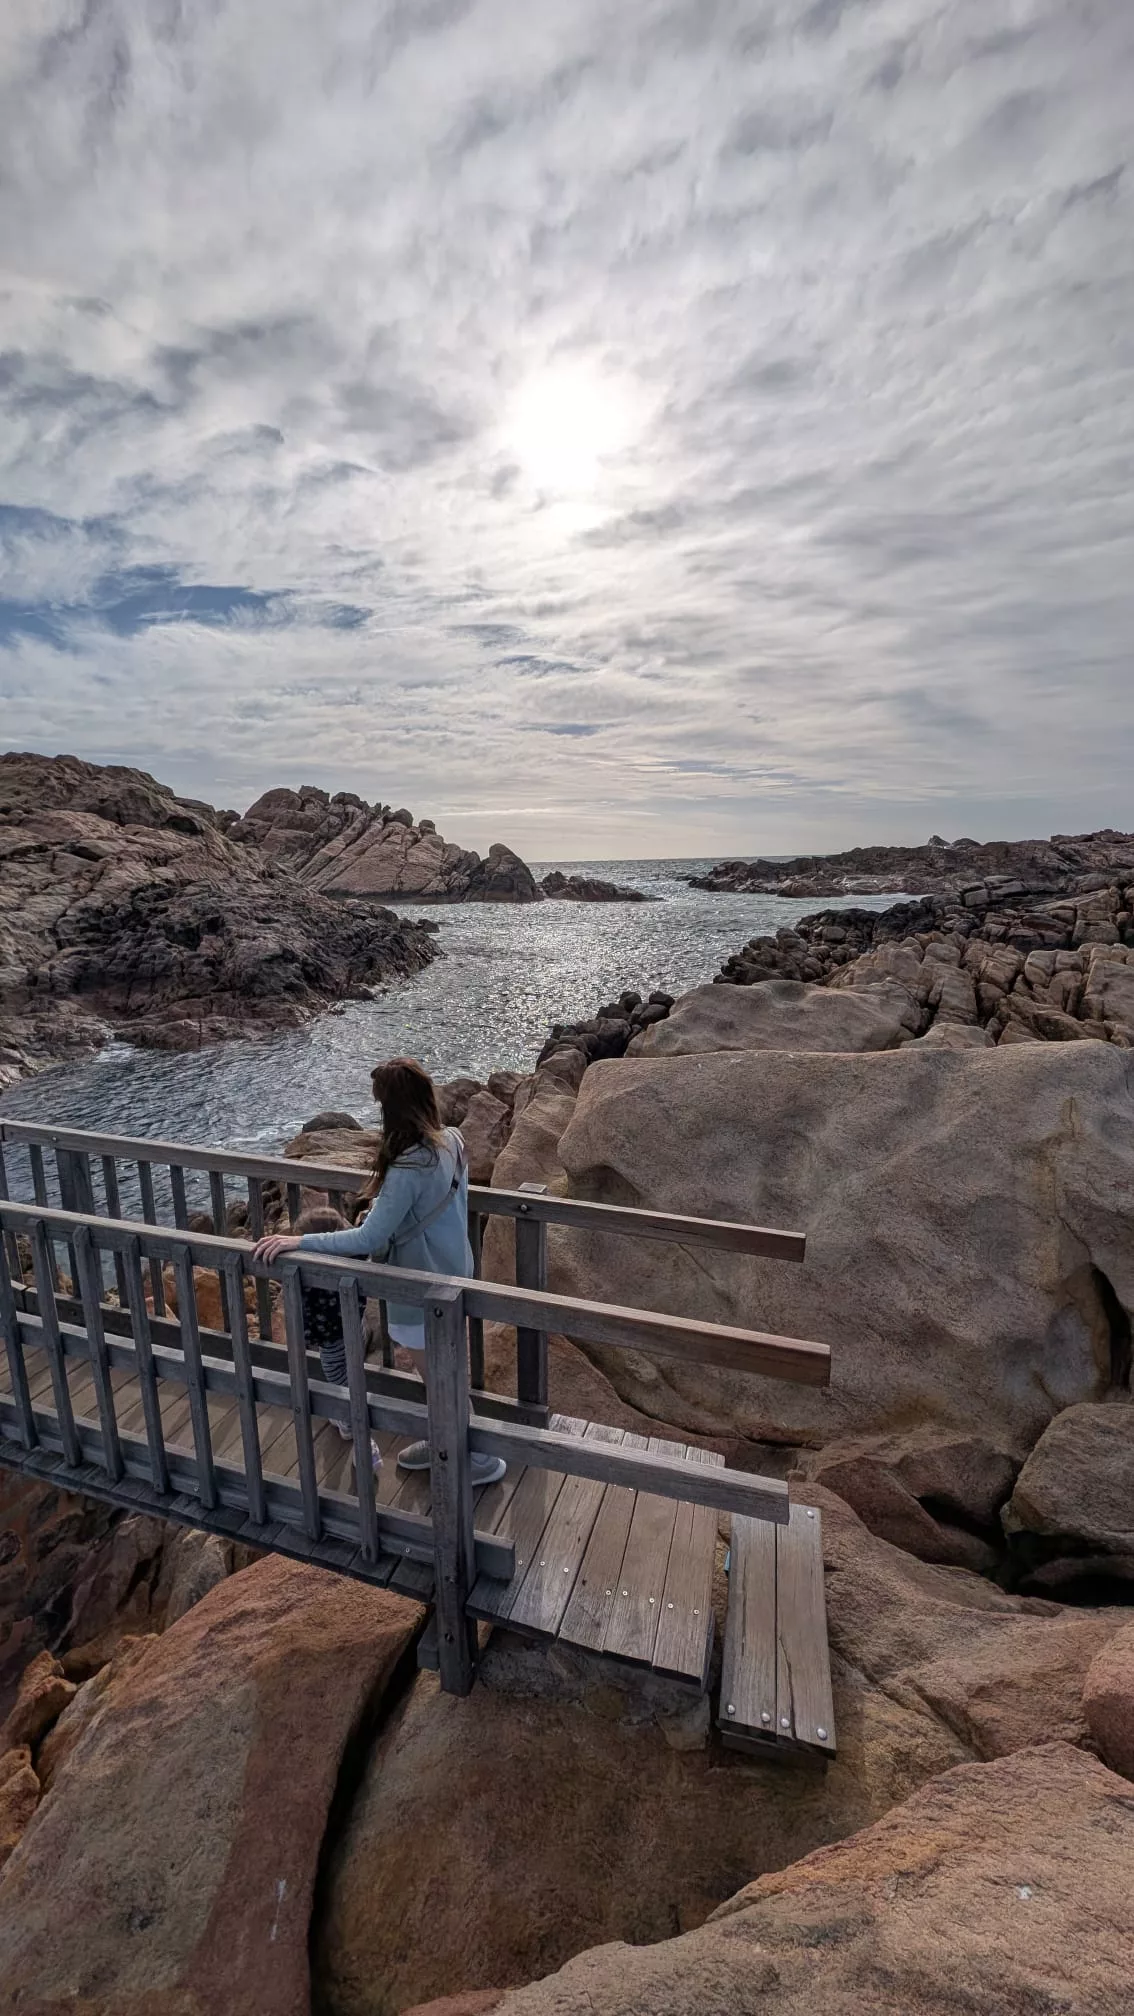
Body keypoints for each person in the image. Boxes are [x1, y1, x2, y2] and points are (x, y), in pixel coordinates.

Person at [253, 1057, 505, 1486]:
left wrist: (301, 1241)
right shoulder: (453, 1141)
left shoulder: (407, 1167)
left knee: (440, 1379)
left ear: (392, 1110)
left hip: (420, 1285)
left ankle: (475, 1459)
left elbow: (367, 1240)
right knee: (448, 1370)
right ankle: (447, 1439)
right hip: (455, 1268)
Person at [291, 1205, 381, 1473]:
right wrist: (367, 1216)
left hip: (331, 1339)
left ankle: (361, 1434)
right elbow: (363, 1235)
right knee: (350, 1372)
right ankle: (345, 1418)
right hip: (355, 1327)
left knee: (340, 1380)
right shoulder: (352, 1254)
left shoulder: (306, 1268)